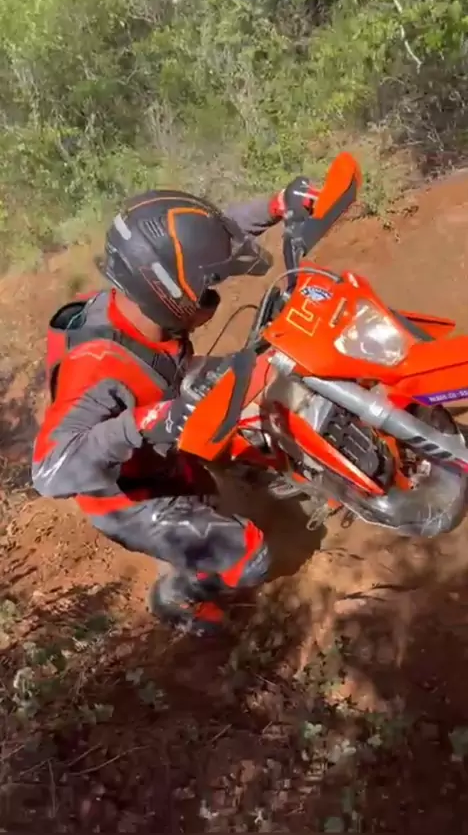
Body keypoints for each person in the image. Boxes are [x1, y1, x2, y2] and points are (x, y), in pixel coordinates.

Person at [31, 180, 318, 634]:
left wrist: (275, 206)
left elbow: (199, 251)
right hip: (128, 497)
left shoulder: (138, 301)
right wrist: (146, 421)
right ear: (168, 290)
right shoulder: (98, 365)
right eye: (209, 288)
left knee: (255, 377)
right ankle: (178, 594)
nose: (213, 292)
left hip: (162, 429)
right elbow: (49, 471)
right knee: (250, 557)